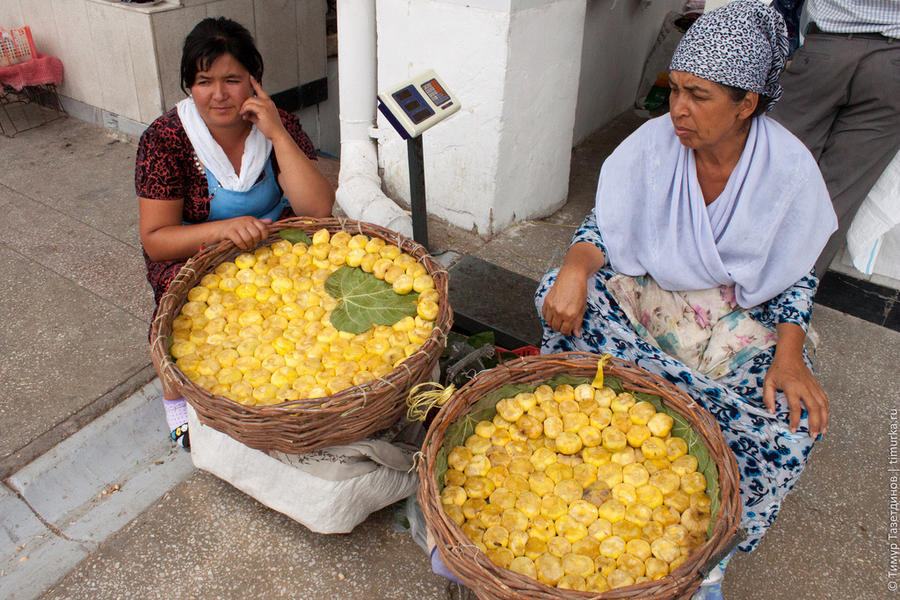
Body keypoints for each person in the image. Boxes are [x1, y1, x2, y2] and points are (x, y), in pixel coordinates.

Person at [536, 1, 836, 595]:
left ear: (746, 103)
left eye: (698, 95)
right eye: (673, 90)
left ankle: (705, 543)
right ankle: (601, 426)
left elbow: (796, 277)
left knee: (790, 425)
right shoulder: (654, 146)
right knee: (558, 295)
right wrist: (574, 266)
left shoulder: (788, 173)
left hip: (730, 317)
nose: (677, 109)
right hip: (656, 299)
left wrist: (789, 354)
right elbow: (605, 226)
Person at [135, 17, 335, 448]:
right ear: (190, 84)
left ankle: (279, 392)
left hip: (273, 241)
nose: (220, 95)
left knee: (307, 311)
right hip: (193, 252)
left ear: (254, 82)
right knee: (182, 327)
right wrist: (224, 230)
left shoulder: (276, 123)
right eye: (205, 81)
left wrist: (278, 134)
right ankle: (175, 399)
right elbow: (156, 238)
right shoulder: (166, 140)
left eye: (232, 79)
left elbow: (317, 209)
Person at [770, 0, 900, 276]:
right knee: (836, 198)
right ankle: (787, 308)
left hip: (828, 46)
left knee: (767, 173)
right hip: (892, 66)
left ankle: (721, 296)